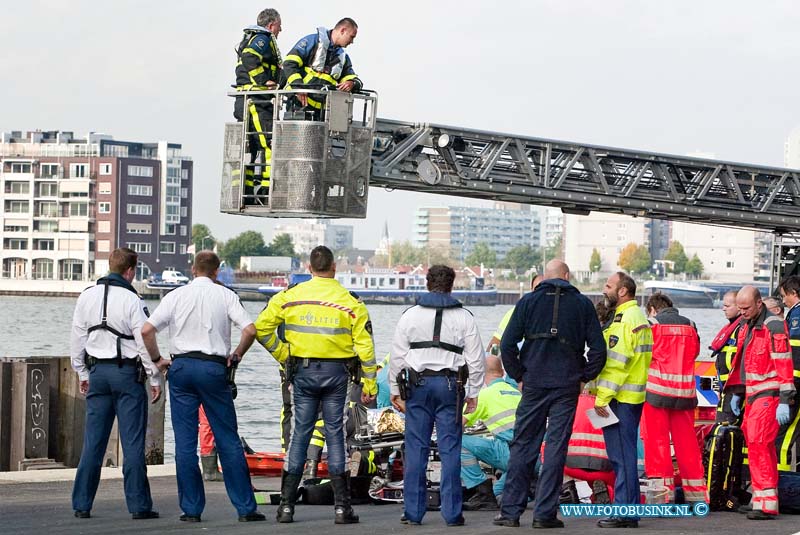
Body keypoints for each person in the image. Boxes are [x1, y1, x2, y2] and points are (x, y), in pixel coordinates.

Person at [255, 245, 377, 524]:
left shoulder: (289, 297)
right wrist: (370, 383)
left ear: (309, 268)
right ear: (334, 268)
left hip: (303, 372)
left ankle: (286, 507)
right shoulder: (351, 302)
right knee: (335, 434)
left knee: (300, 433)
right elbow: (366, 349)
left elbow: (261, 328)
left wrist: (284, 354)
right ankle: (342, 508)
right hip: (337, 375)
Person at [140, 251, 264, 523]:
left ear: (193, 269)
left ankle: (191, 509)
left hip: (181, 368)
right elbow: (251, 329)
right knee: (228, 438)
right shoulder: (226, 295)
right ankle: (245, 508)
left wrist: (157, 360)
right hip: (212, 368)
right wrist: (238, 354)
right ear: (216, 272)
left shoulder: (175, 296)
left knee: (185, 443)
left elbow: (147, 330)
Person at [494, 260, 606, 529]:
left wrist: (519, 375)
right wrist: (584, 375)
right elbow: (599, 350)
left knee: (523, 445)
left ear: (544, 277)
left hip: (533, 383)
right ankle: (544, 514)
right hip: (566, 385)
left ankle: (510, 512)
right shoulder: (583, 305)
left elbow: (507, 345)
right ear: (567, 277)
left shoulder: (528, 302)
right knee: (555, 447)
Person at [389, 264, 486, 527]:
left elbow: (397, 357)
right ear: (452, 285)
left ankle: (413, 512)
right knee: (450, 449)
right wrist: (474, 392)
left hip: (418, 387)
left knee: (416, 448)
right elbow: (477, 359)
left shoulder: (410, 315)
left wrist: (395, 390)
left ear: (427, 282)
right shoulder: (464, 316)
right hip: (450, 386)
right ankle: (453, 514)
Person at [70, 247, 162, 520]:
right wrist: (154, 377)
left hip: (98, 374)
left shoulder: (86, 296)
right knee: (132, 444)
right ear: (130, 271)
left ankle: (82, 504)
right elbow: (144, 341)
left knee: (93, 443)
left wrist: (82, 373)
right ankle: (138, 506)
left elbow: (77, 339)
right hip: (127, 376)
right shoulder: (133, 300)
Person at [726, 286, 796, 519]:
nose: (742, 312)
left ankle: (766, 503)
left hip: (769, 393)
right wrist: (738, 391)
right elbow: (744, 360)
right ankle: (761, 496)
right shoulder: (749, 325)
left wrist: (785, 399)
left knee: (759, 442)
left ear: (759, 304)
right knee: (757, 444)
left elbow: (784, 362)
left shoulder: (772, 325)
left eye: (746, 308)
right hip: (754, 394)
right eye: (740, 308)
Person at [593, 272, 653, 529]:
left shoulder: (625, 318)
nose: (604, 290)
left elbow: (617, 364)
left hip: (618, 398)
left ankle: (625, 512)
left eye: (608, 286)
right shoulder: (635, 316)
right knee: (622, 456)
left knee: (621, 457)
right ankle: (627, 510)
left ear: (622, 291)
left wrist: (601, 399)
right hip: (628, 397)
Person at [641, 293, 707, 503]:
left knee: (657, 445)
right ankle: (697, 498)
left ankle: (661, 497)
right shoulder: (691, 325)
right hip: (685, 394)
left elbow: (643, 356)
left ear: (652, 309)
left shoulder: (652, 324)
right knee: (688, 446)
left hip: (657, 394)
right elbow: (695, 353)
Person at [232, 8, 283, 205]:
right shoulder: (262, 38)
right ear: (271, 25)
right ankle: (264, 190)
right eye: (279, 25)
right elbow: (250, 57)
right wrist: (264, 81)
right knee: (271, 142)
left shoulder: (252, 37)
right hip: (256, 100)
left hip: (248, 99)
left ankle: (247, 191)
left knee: (251, 148)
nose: (281, 29)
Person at [460, 356, 521, 511]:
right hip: (532, 456)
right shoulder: (517, 393)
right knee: (498, 494)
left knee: (456, 442)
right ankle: (527, 488)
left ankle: (481, 490)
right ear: (502, 372)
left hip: (511, 455)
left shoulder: (484, 395)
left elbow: (455, 427)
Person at [282, 18, 362, 114]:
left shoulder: (343, 57)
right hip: (299, 104)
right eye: (351, 37)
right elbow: (289, 63)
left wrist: (352, 83)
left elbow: (354, 78)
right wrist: (299, 88)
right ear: (342, 30)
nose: (352, 41)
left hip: (322, 112)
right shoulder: (312, 41)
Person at [709, 290, 744, 424]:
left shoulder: (742, 329)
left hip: (735, 390)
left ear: (739, 307)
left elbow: (742, 361)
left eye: (728, 306)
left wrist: (737, 393)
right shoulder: (732, 328)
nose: (723, 309)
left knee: (728, 434)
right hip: (727, 390)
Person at [485, 274, 543, 353]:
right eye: (537, 289)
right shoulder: (514, 312)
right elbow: (495, 344)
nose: (541, 293)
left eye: (545, 289)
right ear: (531, 290)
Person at [777, 276, 800, 471]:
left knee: (783, 435)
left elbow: (794, 352)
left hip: (795, 384)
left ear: (794, 293)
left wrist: (789, 388)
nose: (783, 300)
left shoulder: (797, 316)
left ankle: (782, 479)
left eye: (785, 296)